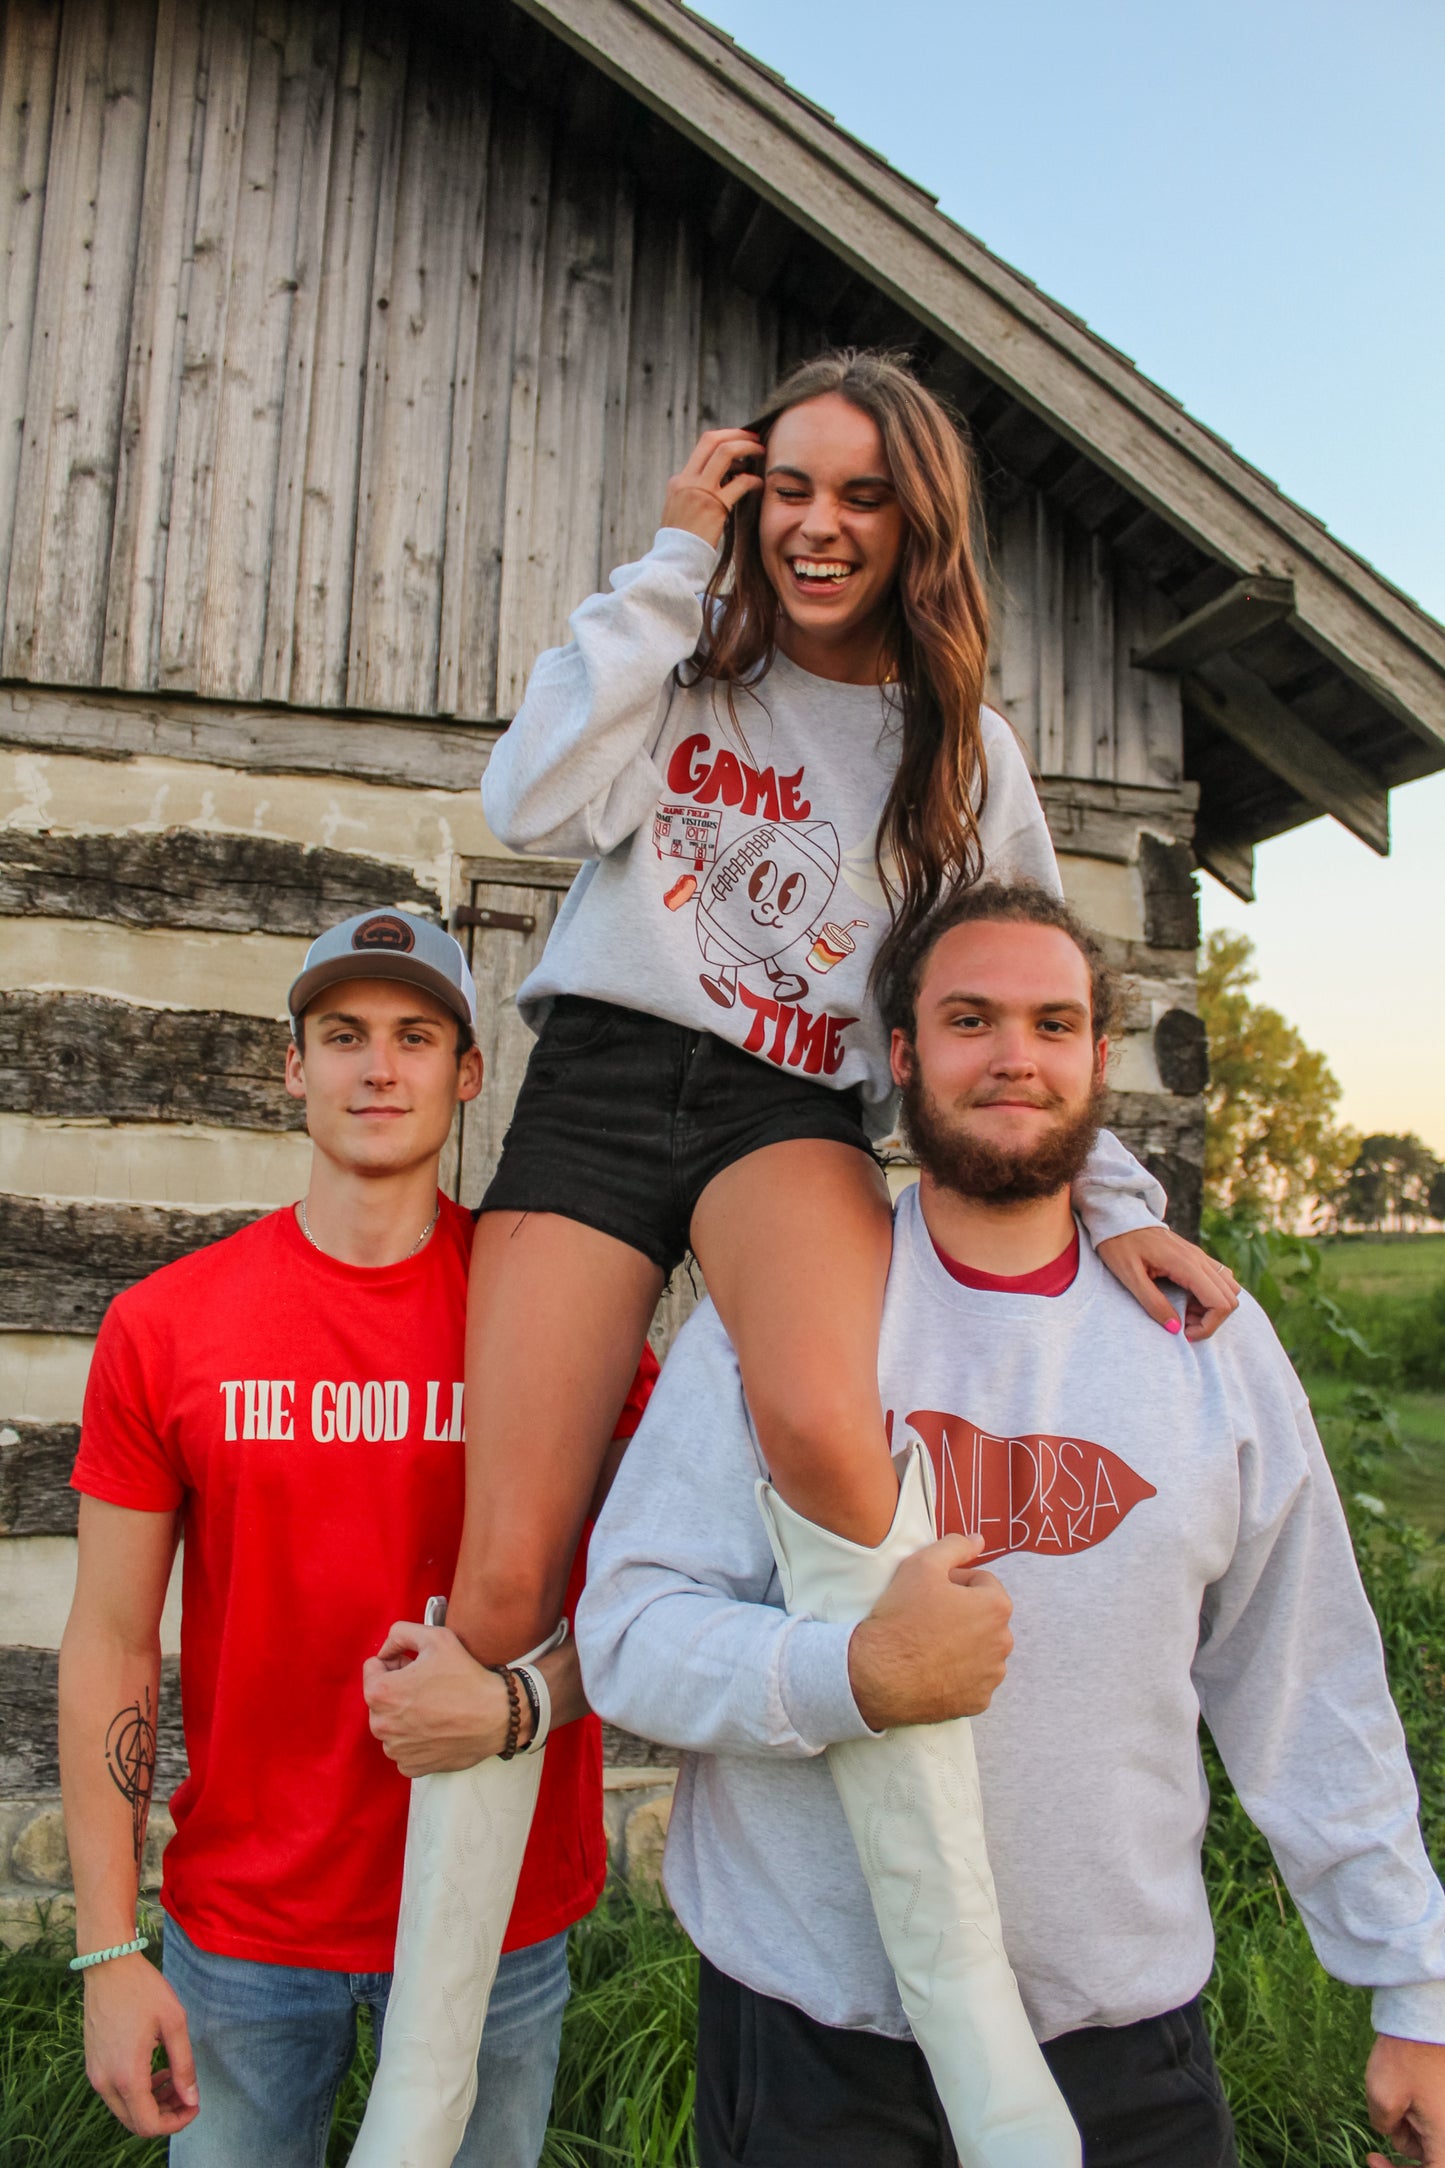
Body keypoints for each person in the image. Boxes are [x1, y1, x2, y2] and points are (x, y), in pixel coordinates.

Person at [355, 350, 1240, 2161]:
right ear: (748, 497)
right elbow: (528, 800)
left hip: (787, 1109)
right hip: (601, 1082)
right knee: (505, 1578)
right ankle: (417, 2108)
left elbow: (1010, 978)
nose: (821, 525)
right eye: (791, 488)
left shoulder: (960, 746)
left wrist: (1129, 1208)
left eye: (862, 495)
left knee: (836, 1445)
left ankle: (980, 2042)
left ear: (917, 521)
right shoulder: (681, 648)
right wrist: (671, 564)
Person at [576, 880, 1445, 2168]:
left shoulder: (1200, 1341)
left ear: (1098, 1058)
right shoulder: (789, 1320)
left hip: (1121, 2041)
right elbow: (627, 1631)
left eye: (1052, 1022)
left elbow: (1301, 1674)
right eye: (970, 1018)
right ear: (905, 1054)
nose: (1014, 1057)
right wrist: (851, 1673)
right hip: (820, 2046)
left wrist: (1409, 1977)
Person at [57, 907, 656, 2167]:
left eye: (415, 1035)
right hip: (247, 1931)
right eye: (341, 1035)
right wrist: (110, 1946)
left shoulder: (555, 1310)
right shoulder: (167, 1326)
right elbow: (111, 1637)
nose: (378, 1066)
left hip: (494, 1911)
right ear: (294, 1066)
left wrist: (512, 1705)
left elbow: (650, 1598)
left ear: (466, 1071)